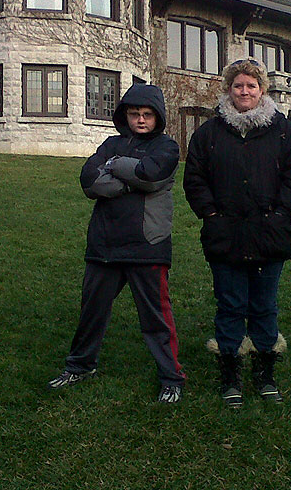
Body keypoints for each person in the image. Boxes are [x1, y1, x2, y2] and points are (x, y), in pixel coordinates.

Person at [48, 83, 186, 404]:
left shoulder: (167, 147)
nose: (140, 119)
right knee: (91, 312)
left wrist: (115, 168)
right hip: (104, 244)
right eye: (135, 113)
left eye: (147, 114)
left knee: (156, 318)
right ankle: (80, 366)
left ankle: (171, 377)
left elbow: (151, 174)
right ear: (125, 115)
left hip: (147, 245)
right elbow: (89, 181)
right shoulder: (111, 143)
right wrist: (130, 179)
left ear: (158, 117)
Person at [183, 58, 291, 408]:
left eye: (251, 85)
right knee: (231, 305)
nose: (245, 91)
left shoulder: (283, 131)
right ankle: (230, 373)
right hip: (226, 234)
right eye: (238, 85)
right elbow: (195, 178)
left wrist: (282, 212)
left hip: (269, 234)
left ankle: (265, 373)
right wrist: (211, 214)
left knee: (265, 306)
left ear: (262, 89)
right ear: (229, 89)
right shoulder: (209, 133)